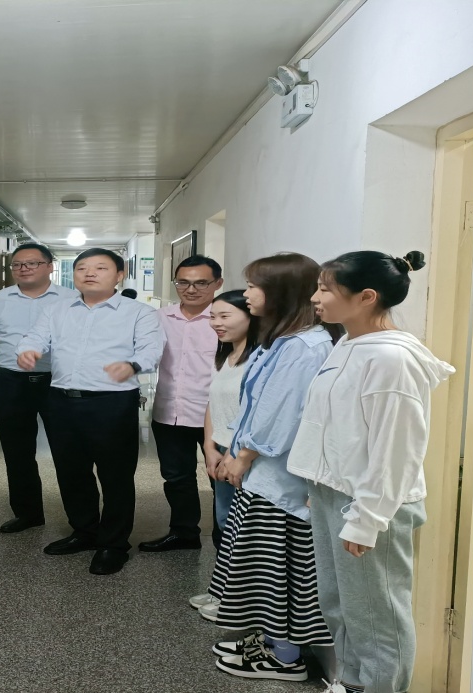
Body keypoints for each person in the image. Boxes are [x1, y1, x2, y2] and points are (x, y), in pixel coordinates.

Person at [292, 251, 453, 693]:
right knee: (340, 606)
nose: (315, 297)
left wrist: (367, 518)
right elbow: (334, 425)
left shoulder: (391, 359)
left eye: (326, 289)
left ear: (366, 297)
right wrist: (318, 480)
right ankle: (351, 683)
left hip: (370, 503)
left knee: (377, 618)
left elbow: (397, 449)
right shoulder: (348, 344)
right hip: (334, 492)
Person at [205, 253, 340, 682]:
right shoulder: (284, 339)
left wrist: (242, 456)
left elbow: (280, 415)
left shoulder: (304, 347)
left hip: (279, 483)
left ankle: (285, 658)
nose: (246, 294)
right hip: (264, 477)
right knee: (260, 567)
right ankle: (271, 641)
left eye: (253, 286)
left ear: (280, 291)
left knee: (276, 572)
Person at [17, 247, 164, 575]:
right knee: (71, 472)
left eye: (100, 268)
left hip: (113, 403)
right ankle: (84, 531)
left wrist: (132, 365)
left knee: (115, 476)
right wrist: (29, 350)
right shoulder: (57, 309)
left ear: (119, 274)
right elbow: (35, 337)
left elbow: (152, 350)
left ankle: (113, 545)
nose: (90, 273)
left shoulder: (139, 313)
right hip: (61, 400)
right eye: (82, 268)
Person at [0, 242, 76, 533]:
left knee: (69, 452)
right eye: (17, 264)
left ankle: (81, 522)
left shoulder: (71, 299)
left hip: (59, 382)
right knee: (17, 451)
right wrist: (12, 362)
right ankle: (28, 513)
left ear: (49, 266)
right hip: (11, 383)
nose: (24, 268)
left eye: (32, 263)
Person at [140, 255, 224, 552]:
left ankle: (226, 540)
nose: (191, 289)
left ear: (218, 283)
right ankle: (184, 533)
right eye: (183, 282)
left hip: (217, 415)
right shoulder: (159, 318)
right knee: (176, 478)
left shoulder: (227, 317)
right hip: (169, 411)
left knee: (221, 480)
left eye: (201, 283)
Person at [187, 289, 260, 612]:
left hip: (245, 454)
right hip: (220, 448)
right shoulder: (225, 355)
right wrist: (208, 445)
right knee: (225, 524)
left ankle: (238, 599)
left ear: (251, 317)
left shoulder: (260, 358)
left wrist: (233, 452)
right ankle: (223, 590)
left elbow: (257, 413)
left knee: (245, 530)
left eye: (225, 316)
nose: (216, 323)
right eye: (213, 316)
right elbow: (212, 403)